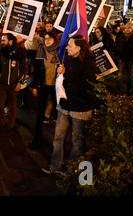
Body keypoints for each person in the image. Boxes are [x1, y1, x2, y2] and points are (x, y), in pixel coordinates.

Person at [42, 35, 96, 174]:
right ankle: (55, 166)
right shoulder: (69, 59)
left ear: (79, 48)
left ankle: (73, 170)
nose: (66, 48)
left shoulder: (89, 64)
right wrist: (61, 73)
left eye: (70, 45)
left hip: (80, 108)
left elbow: (86, 87)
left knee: (77, 140)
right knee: (58, 137)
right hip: (65, 105)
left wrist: (65, 81)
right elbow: (68, 78)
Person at [28, 31, 60, 150]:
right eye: (45, 38)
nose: (47, 40)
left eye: (49, 38)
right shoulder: (40, 50)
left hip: (56, 86)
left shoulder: (60, 52)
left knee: (59, 115)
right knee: (40, 113)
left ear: (54, 39)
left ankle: (57, 143)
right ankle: (37, 140)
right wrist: (35, 86)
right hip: (44, 85)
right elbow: (36, 71)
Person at [0, 33, 27, 136]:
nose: (2, 42)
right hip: (2, 84)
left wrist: (19, 82)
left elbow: (24, 68)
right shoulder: (1, 52)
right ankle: (1, 124)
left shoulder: (19, 52)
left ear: (11, 41)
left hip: (14, 84)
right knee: (0, 105)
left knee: (12, 107)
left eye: (4, 40)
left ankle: (10, 126)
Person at [115, 23, 133, 94]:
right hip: (122, 58)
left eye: (129, 28)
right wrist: (118, 54)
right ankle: (119, 90)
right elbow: (117, 46)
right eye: (126, 28)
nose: (127, 29)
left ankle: (129, 90)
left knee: (129, 75)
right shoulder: (120, 37)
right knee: (120, 75)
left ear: (132, 29)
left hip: (131, 59)